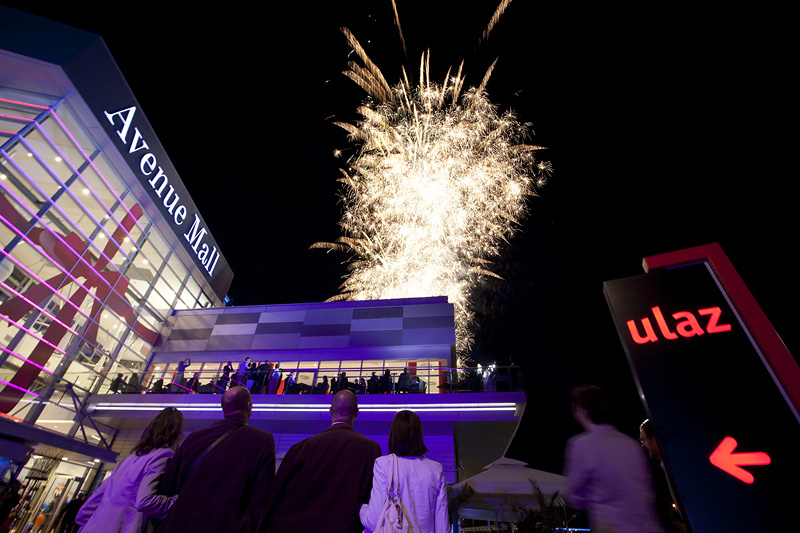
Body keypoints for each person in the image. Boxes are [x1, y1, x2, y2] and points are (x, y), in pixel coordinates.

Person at [260, 390, 381, 533]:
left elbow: (276, 492)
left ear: (330, 411)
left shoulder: (302, 447)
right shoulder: (370, 449)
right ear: (356, 412)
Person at [157, 386, 275, 533]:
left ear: (223, 408)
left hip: (180, 524)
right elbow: (261, 497)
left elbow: (168, 484)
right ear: (248, 405)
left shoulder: (194, 437)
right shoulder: (262, 440)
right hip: (227, 525)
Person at [564, 385, 662, 533]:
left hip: (612, 526)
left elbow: (574, 495)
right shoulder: (631, 444)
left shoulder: (581, 445)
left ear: (582, 411)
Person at [75, 407, 183, 532]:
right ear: (175, 432)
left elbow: (91, 504)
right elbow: (145, 501)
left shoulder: (127, 460)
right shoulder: (162, 456)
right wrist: (178, 500)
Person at [359, 410, 449, 532]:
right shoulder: (435, 469)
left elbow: (373, 520)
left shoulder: (383, 464)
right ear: (419, 434)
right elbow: (442, 525)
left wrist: (362, 509)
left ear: (394, 434)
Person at [640, 419, 686, 533]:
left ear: (655, 438)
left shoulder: (675, 466)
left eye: (643, 440)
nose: (642, 446)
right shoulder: (667, 466)